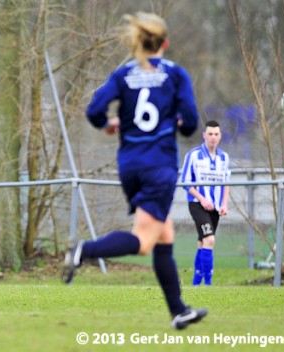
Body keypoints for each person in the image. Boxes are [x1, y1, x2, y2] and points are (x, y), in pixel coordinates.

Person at [62, 12, 207, 330]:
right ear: (165, 44)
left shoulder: (124, 74)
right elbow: (192, 122)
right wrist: (179, 123)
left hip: (130, 165)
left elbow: (94, 111)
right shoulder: (175, 75)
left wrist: (109, 124)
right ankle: (84, 251)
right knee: (143, 240)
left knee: (163, 234)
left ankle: (178, 310)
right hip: (159, 166)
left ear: (137, 44)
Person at [180, 120, 230, 286]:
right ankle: (208, 284)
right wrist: (202, 199)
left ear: (220, 136)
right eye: (210, 134)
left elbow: (226, 183)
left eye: (216, 134)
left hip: (215, 207)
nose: (213, 137)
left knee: (203, 242)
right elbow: (186, 182)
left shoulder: (224, 157)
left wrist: (224, 204)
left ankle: (196, 283)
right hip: (197, 204)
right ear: (204, 135)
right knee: (210, 240)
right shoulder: (193, 155)